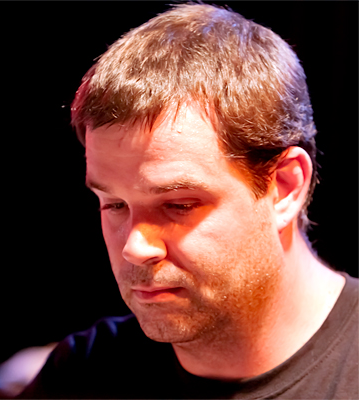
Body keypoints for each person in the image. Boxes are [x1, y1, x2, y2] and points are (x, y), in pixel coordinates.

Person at [19, 3, 358, 399]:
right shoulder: (84, 372)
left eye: (178, 205)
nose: (135, 248)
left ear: (284, 187)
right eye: (114, 205)